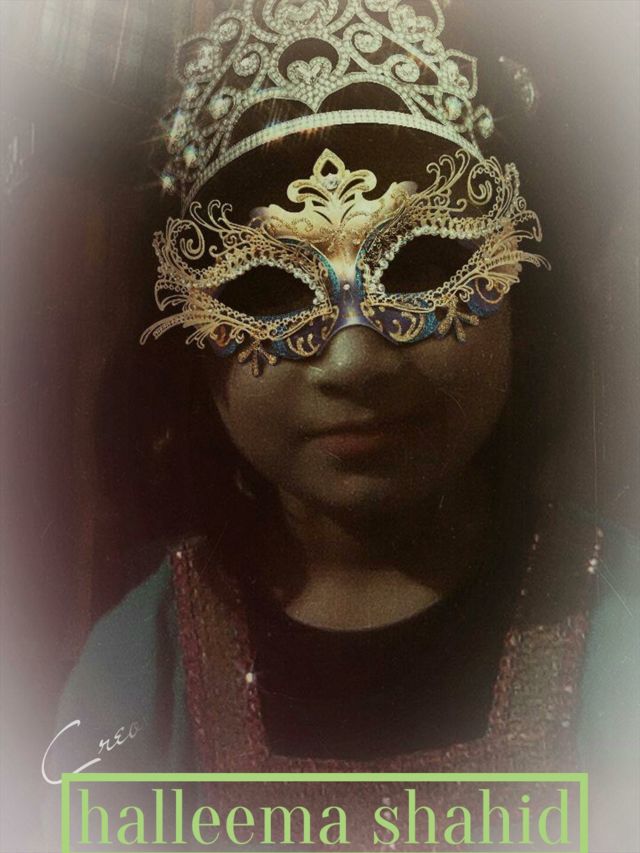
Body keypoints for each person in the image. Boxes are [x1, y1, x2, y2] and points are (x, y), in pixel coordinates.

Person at [49, 1, 638, 849]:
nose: (354, 362)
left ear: (527, 300)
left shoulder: (623, 618)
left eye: (424, 262)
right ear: (186, 342)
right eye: (268, 287)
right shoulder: (140, 668)